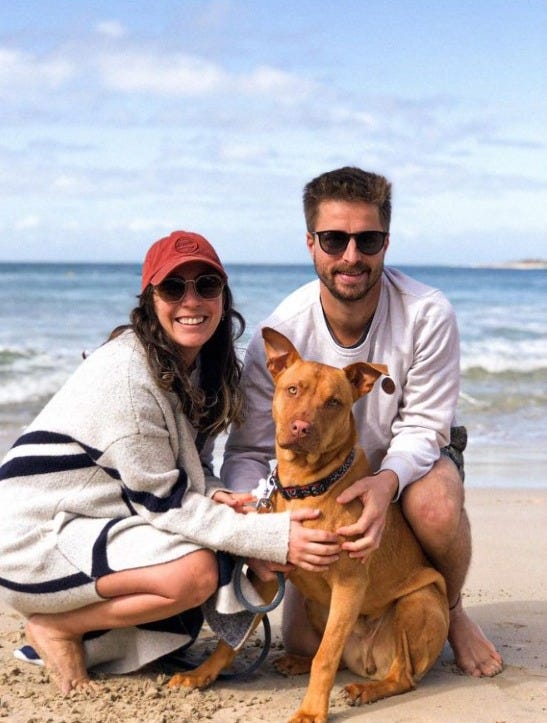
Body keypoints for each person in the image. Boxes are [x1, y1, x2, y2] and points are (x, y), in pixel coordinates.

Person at [0, 230, 341, 695]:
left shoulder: (199, 366)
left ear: (223, 295)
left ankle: (95, 635)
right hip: (32, 540)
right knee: (197, 573)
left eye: (206, 285)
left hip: (98, 518)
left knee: (183, 616)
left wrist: (222, 496)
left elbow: (191, 469)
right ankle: (59, 627)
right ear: (150, 299)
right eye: (173, 288)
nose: (191, 300)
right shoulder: (127, 377)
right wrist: (272, 538)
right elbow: (167, 503)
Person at [222, 167, 504, 678]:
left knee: (436, 505)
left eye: (366, 240)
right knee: (300, 641)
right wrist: (263, 530)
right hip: (322, 485)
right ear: (311, 243)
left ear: (385, 243)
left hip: (408, 463)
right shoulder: (282, 333)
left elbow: (425, 426)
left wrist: (384, 482)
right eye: (334, 239)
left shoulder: (427, 313)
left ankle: (452, 607)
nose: (350, 256)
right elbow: (246, 451)